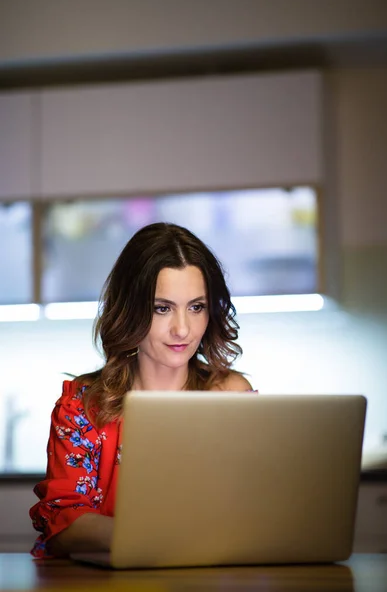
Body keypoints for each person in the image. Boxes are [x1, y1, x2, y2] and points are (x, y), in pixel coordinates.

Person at [30, 222, 254, 558]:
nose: (182, 329)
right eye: (161, 308)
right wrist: (162, 536)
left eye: (197, 307)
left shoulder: (232, 396)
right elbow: (62, 525)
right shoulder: (83, 405)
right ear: (130, 309)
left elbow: (255, 508)